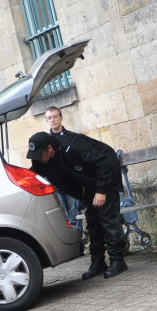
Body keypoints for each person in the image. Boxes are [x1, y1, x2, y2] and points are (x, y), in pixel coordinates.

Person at [27, 130, 127, 279]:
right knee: (93, 223)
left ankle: (118, 260)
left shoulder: (74, 145)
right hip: (90, 183)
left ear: (49, 148)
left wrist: (102, 191)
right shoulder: (42, 159)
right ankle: (98, 262)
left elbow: (104, 161)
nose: (38, 159)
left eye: (40, 155)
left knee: (108, 219)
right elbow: (34, 174)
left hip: (106, 178)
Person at [44, 107, 84, 251]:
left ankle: (78, 247)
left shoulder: (71, 137)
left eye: (55, 116)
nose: (52, 120)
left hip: (71, 185)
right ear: (47, 121)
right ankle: (70, 248)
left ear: (61, 118)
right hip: (55, 186)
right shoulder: (45, 141)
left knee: (73, 216)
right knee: (62, 218)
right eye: (49, 118)